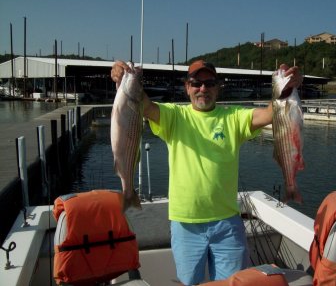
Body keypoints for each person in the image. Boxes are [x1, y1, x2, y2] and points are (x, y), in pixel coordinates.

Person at [111, 60, 302, 285]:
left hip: (228, 225)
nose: (203, 89)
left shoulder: (233, 117)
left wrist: (288, 87)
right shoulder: (174, 116)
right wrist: (123, 78)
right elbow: (142, 104)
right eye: (196, 83)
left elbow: (271, 114)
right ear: (187, 87)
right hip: (185, 225)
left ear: (218, 87)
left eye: (209, 83)